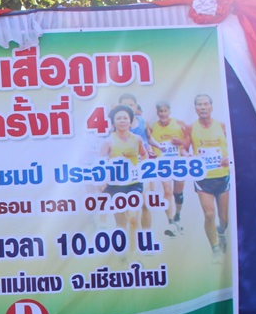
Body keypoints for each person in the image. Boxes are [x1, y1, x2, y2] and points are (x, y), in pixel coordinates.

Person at [99, 104, 150, 251]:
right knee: (121, 223)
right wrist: (103, 185)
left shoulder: (137, 139)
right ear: (113, 122)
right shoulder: (108, 141)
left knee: (133, 219)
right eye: (118, 118)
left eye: (125, 118)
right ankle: (122, 251)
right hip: (116, 186)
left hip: (134, 183)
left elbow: (144, 154)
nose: (122, 121)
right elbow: (100, 163)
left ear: (130, 121)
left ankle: (133, 252)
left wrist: (143, 170)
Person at [188, 94, 231, 263]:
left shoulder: (222, 126)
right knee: (209, 214)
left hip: (222, 176)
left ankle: (221, 233)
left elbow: (233, 147)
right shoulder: (191, 128)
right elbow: (183, 148)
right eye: (199, 105)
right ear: (195, 108)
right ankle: (215, 249)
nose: (203, 107)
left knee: (224, 218)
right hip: (203, 178)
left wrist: (229, 158)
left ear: (211, 107)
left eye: (206, 104)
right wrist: (188, 156)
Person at [147, 101, 191, 237]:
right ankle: (170, 222)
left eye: (165, 111)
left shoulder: (180, 124)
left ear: (169, 111)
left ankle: (178, 214)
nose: (163, 114)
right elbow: (148, 141)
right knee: (167, 191)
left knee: (178, 193)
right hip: (163, 163)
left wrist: (181, 144)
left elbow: (188, 141)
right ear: (157, 112)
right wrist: (151, 150)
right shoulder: (152, 127)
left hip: (178, 162)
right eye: (161, 111)